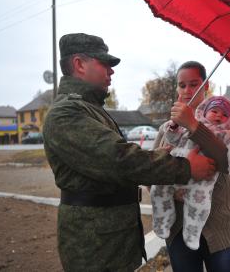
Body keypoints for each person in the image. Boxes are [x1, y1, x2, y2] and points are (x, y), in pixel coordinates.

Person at [42, 33, 216, 272]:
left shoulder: (89, 108)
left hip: (111, 239)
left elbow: (116, 156)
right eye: (105, 63)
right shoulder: (67, 113)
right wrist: (185, 168)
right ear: (79, 64)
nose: (111, 71)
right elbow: (119, 160)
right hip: (95, 246)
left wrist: (161, 155)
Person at [152, 61, 230, 272]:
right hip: (179, 230)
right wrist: (175, 180)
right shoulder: (167, 128)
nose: (187, 91)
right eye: (182, 85)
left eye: (194, 84)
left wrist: (194, 125)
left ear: (206, 87)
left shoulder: (225, 123)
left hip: (222, 229)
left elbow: (227, 164)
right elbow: (151, 170)